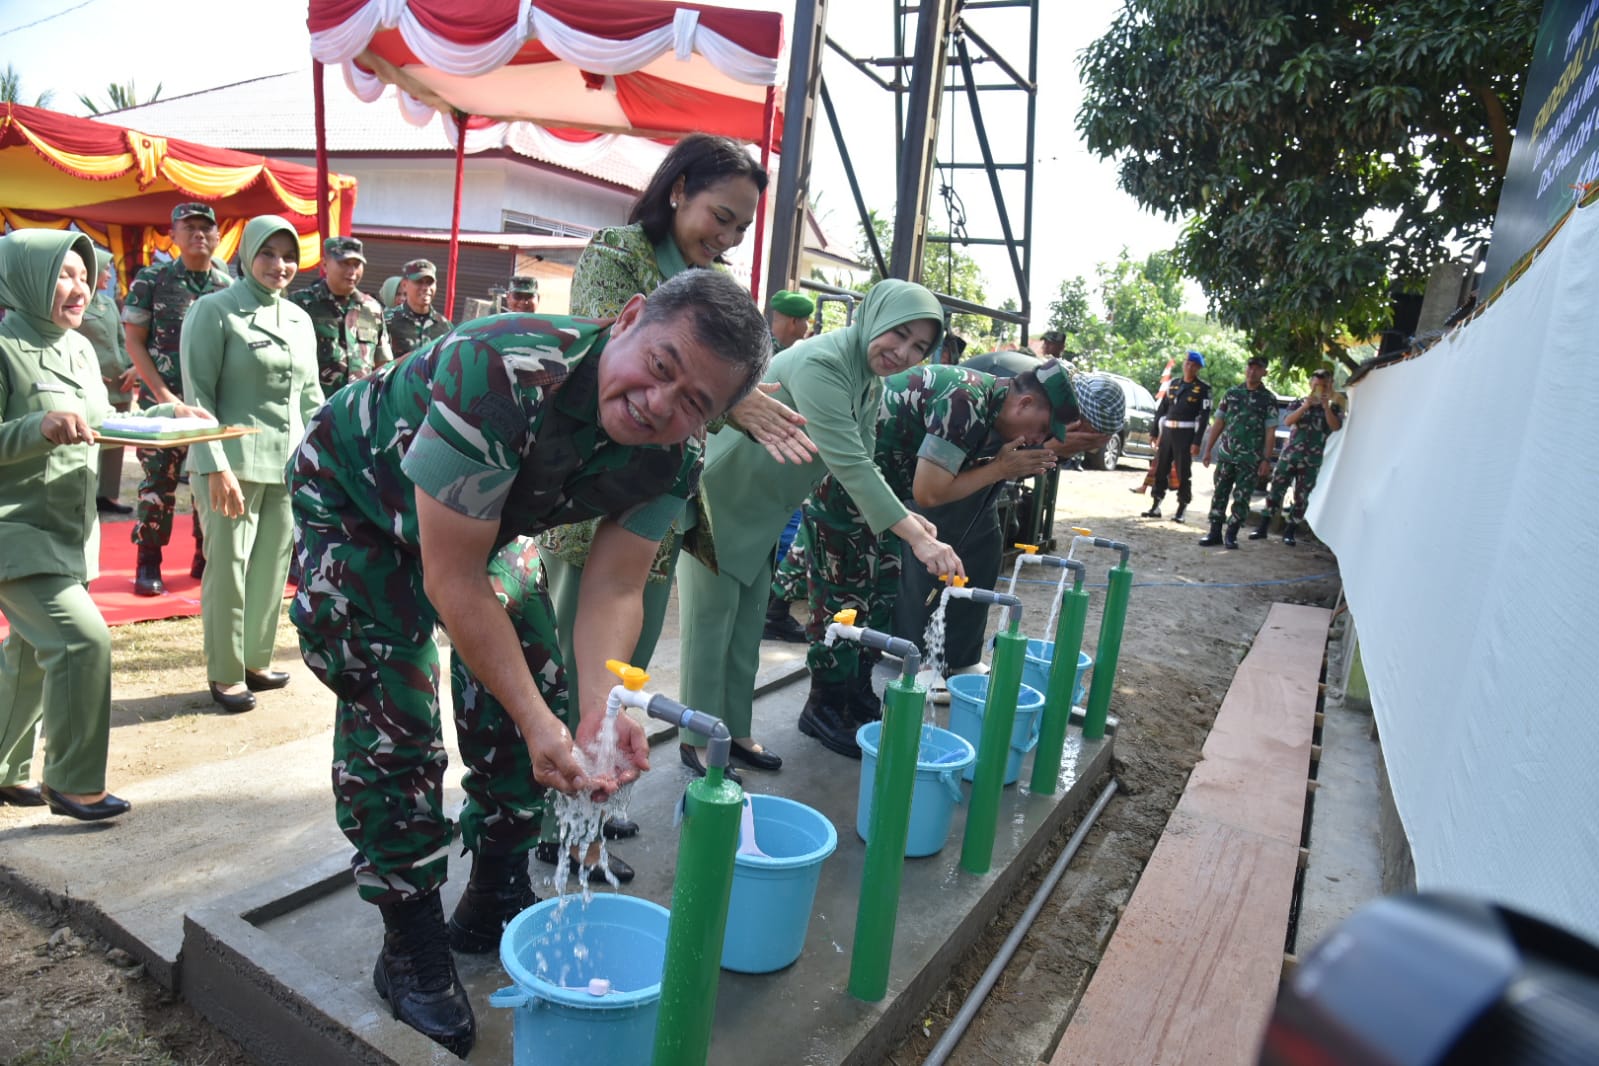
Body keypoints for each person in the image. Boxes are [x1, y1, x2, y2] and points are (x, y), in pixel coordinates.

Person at [288, 268, 770, 1055]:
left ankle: (496, 888)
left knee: (538, 694)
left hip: (483, 521)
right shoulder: (504, 370)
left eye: (695, 404)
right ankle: (409, 937)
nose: (661, 406)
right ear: (630, 318)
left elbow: (615, 587)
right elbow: (452, 580)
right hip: (358, 506)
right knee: (397, 714)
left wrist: (594, 711)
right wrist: (538, 715)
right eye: (660, 367)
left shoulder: (672, 461)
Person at [538, 132, 813, 775]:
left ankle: (597, 780)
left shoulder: (716, 284)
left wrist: (735, 398)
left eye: (741, 228)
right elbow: (607, 350)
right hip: (596, 494)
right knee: (569, 653)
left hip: (664, 504)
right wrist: (727, 402)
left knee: (623, 662)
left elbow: (735, 379)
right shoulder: (620, 253)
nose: (729, 238)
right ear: (680, 189)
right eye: (722, 217)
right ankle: (553, 805)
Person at [678, 279, 965, 777]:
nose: (903, 353)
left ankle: (736, 731)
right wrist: (916, 539)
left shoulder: (869, 378)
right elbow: (849, 462)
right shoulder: (823, 362)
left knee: (747, 626)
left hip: (764, 508)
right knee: (711, 624)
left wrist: (909, 517)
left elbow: (866, 463)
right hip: (720, 500)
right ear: (874, 317)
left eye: (919, 346)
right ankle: (698, 740)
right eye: (898, 335)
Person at [797, 360, 1123, 756]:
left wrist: (1001, 464)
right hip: (844, 488)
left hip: (882, 499)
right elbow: (931, 493)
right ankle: (823, 706)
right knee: (843, 597)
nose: (1040, 439)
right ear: (1022, 404)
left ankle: (856, 693)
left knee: (879, 596)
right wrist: (1000, 468)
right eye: (1041, 429)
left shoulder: (993, 406)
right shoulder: (965, 400)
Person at [0, 230, 208, 821]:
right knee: (80, 641)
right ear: (25, 278)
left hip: (71, 532)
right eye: (62, 274)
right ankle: (72, 783)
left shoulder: (81, 349)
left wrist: (166, 414)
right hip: (13, 531)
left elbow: (104, 422)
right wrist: (35, 428)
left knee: (26, 656)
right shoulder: (2, 347)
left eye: (84, 276)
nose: (79, 288)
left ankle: (4, 768)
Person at [183, 216, 323, 714]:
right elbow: (197, 396)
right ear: (247, 254)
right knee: (230, 569)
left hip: (284, 466)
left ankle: (255, 660)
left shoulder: (299, 320)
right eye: (267, 253)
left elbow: (311, 399)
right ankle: (225, 673)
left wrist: (318, 460)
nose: (279, 265)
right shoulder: (215, 311)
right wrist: (214, 464)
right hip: (231, 467)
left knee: (271, 568)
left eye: (289, 256)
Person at [122, 202, 233, 597]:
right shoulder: (152, 279)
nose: (199, 234)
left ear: (219, 237)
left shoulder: (229, 287)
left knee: (207, 481)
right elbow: (134, 341)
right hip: (164, 404)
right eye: (190, 227)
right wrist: (165, 396)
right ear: (173, 234)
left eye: (207, 228)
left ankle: (204, 556)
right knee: (158, 484)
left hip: (210, 406)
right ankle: (148, 561)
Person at [762, 287, 819, 643]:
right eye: (805, 322)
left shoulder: (772, 349)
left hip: (776, 457)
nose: (807, 329)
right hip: (769, 461)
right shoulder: (767, 352)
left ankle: (770, 610)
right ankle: (773, 612)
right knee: (787, 535)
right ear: (795, 321)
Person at [76, 248, 137, 516]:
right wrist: (83, 371)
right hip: (90, 382)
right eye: (106, 269)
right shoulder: (75, 301)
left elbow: (121, 341)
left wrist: (131, 368)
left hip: (118, 381)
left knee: (116, 442)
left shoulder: (109, 303)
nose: (109, 275)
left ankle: (108, 495)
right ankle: (85, 496)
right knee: (90, 440)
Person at [1252, 368, 1342, 546]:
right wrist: (1306, 406)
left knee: (1302, 496)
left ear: (1329, 387)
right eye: (1316, 385)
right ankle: (1263, 527)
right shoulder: (1299, 402)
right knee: (1276, 489)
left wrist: (1325, 407)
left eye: (1323, 386)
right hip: (1290, 455)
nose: (1318, 389)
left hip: (1312, 459)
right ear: (1310, 384)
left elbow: (1336, 426)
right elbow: (1287, 421)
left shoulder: (1332, 407)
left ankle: (1290, 531)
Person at [290, 236, 390, 393]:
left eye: (357, 265)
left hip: (359, 406)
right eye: (344, 263)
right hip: (316, 406)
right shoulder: (300, 304)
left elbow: (382, 363)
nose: (352, 271)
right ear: (324, 264)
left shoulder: (372, 309)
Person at [1198, 355, 1279, 548]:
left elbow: (1270, 432)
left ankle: (1231, 534)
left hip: (1250, 459)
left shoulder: (1268, 399)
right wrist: (1208, 449)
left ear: (1264, 372)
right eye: (1250, 367)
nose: (1252, 371)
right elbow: (1219, 422)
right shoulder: (1232, 393)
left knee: (1242, 497)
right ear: (1246, 369)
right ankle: (1214, 532)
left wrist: (1266, 460)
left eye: (1257, 368)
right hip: (1227, 455)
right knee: (1220, 493)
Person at [1141, 350, 1213, 522]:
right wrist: (1154, 432)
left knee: (1183, 472)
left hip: (1185, 434)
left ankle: (1181, 508)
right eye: (1187, 363)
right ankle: (1156, 505)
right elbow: (1162, 409)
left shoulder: (1203, 389)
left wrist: (1197, 442)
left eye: (1193, 364)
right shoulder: (1174, 384)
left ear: (1197, 368)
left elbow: (1204, 417)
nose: (1189, 366)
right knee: (1160, 469)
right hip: (1167, 433)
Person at [384, 259, 452, 359]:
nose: (425, 288)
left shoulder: (445, 327)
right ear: (404, 284)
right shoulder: (387, 321)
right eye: (419, 282)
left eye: (430, 283)